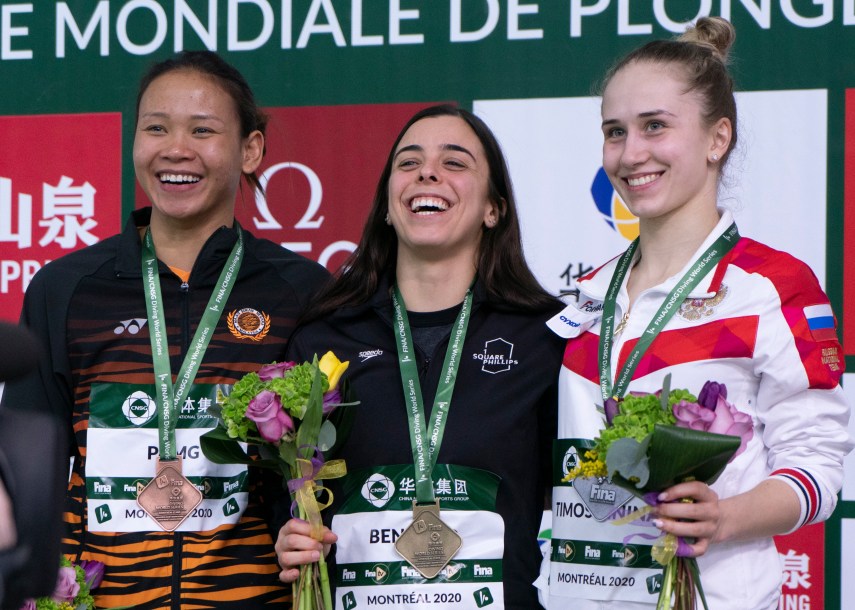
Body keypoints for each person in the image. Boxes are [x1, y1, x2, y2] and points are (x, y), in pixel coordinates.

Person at [540, 17, 852, 610]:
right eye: (615, 131)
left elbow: (816, 466)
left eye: (655, 126)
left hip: (709, 596)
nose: (631, 154)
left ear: (717, 139)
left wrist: (725, 518)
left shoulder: (772, 286)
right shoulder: (586, 292)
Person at [0, 51, 329, 609]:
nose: (176, 149)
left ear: (250, 149)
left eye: (203, 130)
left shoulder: (300, 292)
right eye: (156, 128)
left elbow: (311, 473)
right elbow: (30, 474)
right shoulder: (67, 288)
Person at [274, 104, 565, 609]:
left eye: (455, 162)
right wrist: (290, 538)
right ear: (388, 203)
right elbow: (292, 500)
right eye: (408, 163)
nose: (427, 171)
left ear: (493, 208)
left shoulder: (546, 340)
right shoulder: (323, 340)